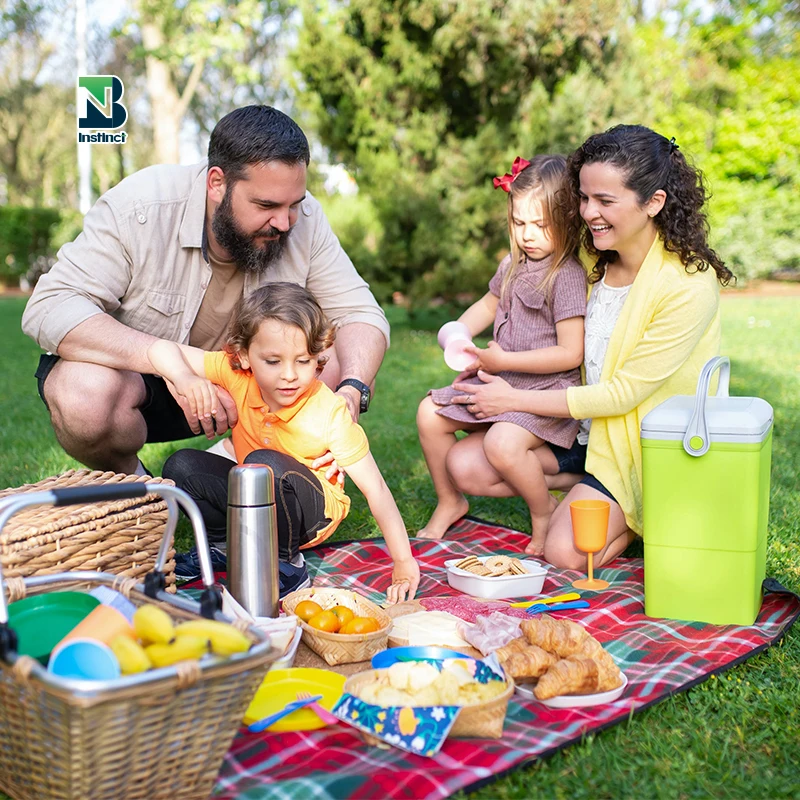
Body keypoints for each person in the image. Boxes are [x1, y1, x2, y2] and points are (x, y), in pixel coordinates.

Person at [22, 105, 388, 482]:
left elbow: (361, 315)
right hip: (143, 384)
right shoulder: (140, 206)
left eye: (294, 205)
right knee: (80, 393)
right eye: (266, 205)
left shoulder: (305, 220)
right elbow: (50, 305)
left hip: (248, 388)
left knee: (342, 359)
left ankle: (237, 472)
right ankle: (143, 489)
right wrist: (161, 358)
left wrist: (352, 390)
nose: (284, 222)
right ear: (217, 183)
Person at [447, 125, 734, 569]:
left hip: (635, 448)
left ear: (653, 202)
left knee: (566, 552)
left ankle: (641, 516)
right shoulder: (590, 256)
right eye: (583, 198)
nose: (588, 212)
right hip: (582, 433)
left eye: (605, 201)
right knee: (465, 465)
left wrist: (510, 397)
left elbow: (623, 394)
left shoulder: (687, 286)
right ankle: (581, 489)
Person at [148, 282, 420, 602]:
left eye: (303, 361)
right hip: (258, 496)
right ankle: (222, 545)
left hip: (309, 516)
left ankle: (287, 563)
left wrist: (404, 562)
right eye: (273, 361)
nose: (289, 375)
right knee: (181, 464)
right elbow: (161, 349)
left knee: (266, 463)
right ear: (245, 357)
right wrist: (184, 377)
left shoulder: (328, 411)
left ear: (319, 357)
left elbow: (376, 488)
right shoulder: (236, 375)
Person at [416, 155, 587, 556]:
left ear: (566, 220)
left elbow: (570, 352)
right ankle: (450, 501)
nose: (528, 235)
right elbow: (489, 305)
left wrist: (503, 362)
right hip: (499, 378)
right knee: (428, 413)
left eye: (541, 225)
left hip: (543, 390)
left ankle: (543, 511)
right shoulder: (512, 264)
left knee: (503, 444)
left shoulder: (566, 274)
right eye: (519, 222)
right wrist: (459, 331)